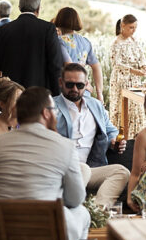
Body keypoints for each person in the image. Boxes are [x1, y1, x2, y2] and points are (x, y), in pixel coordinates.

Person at [0, 86, 90, 240]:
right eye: (54, 110)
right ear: (46, 113)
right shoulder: (65, 146)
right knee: (82, 213)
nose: (56, 115)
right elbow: (75, 199)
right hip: (46, 235)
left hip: (1, 232)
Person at [53, 63, 130, 209]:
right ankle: (71, 213)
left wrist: (114, 141)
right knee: (82, 169)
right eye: (70, 84)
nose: (75, 89)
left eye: (80, 85)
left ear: (87, 84)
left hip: (92, 168)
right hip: (64, 169)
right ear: (61, 83)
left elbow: (110, 130)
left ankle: (97, 212)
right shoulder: (50, 107)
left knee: (121, 172)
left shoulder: (95, 105)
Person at [0, 0, 64, 95]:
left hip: (11, 93)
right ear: (38, 8)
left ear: (19, 7)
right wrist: (57, 93)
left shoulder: (4, 30)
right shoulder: (48, 29)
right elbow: (55, 63)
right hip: (39, 92)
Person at [109, 15, 146, 132]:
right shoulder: (116, 43)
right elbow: (117, 64)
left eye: (135, 28)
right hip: (122, 81)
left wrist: (145, 66)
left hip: (135, 81)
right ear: (123, 26)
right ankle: (122, 138)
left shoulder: (134, 40)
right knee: (123, 110)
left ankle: (137, 138)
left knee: (136, 109)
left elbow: (142, 56)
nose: (134, 30)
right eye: (131, 27)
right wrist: (133, 71)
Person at [54, 7, 104, 102]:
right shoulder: (85, 41)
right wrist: (99, 93)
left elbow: (69, 65)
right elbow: (97, 66)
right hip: (84, 91)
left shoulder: (60, 41)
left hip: (68, 91)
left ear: (59, 19)